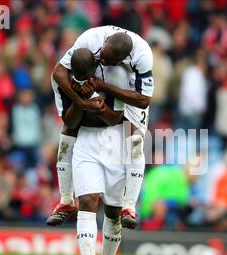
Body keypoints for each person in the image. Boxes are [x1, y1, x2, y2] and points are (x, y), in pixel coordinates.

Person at [47, 26, 153, 229]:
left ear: (124, 58)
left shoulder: (143, 55)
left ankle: (129, 205)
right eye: (102, 56)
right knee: (70, 128)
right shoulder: (89, 39)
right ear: (103, 44)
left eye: (109, 60)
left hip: (128, 87)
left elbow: (144, 100)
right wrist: (81, 101)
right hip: (86, 77)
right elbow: (59, 71)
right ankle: (66, 200)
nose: (103, 61)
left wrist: (102, 87)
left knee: (135, 137)